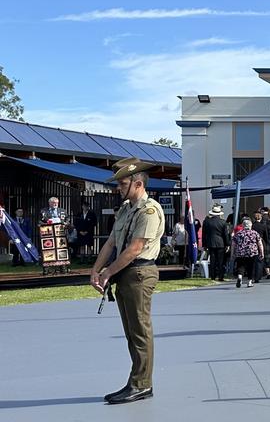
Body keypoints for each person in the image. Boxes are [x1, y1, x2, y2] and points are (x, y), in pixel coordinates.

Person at [90, 157, 164, 405]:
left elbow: (134, 248)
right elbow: (111, 242)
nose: (118, 188)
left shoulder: (150, 210)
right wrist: (95, 269)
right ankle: (137, 380)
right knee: (132, 333)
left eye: (122, 184)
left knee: (140, 332)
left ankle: (142, 384)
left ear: (138, 183)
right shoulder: (125, 209)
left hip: (139, 273)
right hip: (126, 273)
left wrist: (108, 272)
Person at [201, 204, 230, 281]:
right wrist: (227, 244)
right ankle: (221, 276)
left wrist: (204, 244)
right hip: (221, 243)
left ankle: (212, 276)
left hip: (210, 242)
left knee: (212, 260)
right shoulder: (223, 222)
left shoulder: (206, 222)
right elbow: (225, 234)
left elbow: (204, 234)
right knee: (220, 261)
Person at [231, 216, 263, 289]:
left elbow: (233, 244)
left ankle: (239, 276)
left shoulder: (238, 234)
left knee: (240, 265)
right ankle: (249, 282)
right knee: (250, 267)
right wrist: (262, 252)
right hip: (252, 252)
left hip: (240, 252)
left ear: (243, 225)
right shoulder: (255, 233)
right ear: (251, 225)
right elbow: (260, 243)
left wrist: (232, 253)